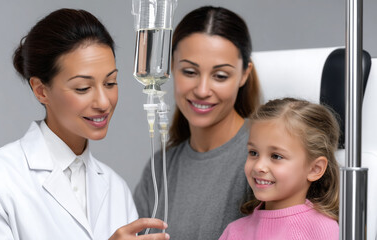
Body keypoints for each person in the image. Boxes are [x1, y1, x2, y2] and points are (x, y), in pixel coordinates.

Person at [0, 8, 169, 240]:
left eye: (110, 83)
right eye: (83, 88)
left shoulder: (115, 188)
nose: (103, 102)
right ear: (41, 91)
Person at [134, 6, 261, 240]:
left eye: (220, 76)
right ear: (171, 67)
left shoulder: (265, 158)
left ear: (244, 74)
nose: (202, 90)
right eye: (190, 72)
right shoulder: (162, 168)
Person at [219, 98, 340, 240]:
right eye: (253, 153)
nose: (259, 166)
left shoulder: (324, 230)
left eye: (276, 156)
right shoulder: (234, 232)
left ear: (315, 169)